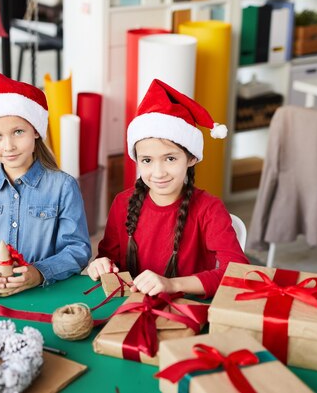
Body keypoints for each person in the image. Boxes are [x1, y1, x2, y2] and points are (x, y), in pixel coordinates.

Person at [87, 79, 248, 298]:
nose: (158, 172)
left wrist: (171, 285)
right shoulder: (122, 203)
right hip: (130, 309)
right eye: (147, 160)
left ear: (191, 158)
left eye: (170, 158)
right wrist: (101, 265)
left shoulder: (209, 209)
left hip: (186, 313)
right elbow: (108, 258)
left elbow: (237, 273)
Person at [0, 66, 91, 296]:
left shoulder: (63, 187)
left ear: (35, 131)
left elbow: (77, 249)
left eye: (18, 132)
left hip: (47, 295)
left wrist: (40, 272)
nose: (8, 146)